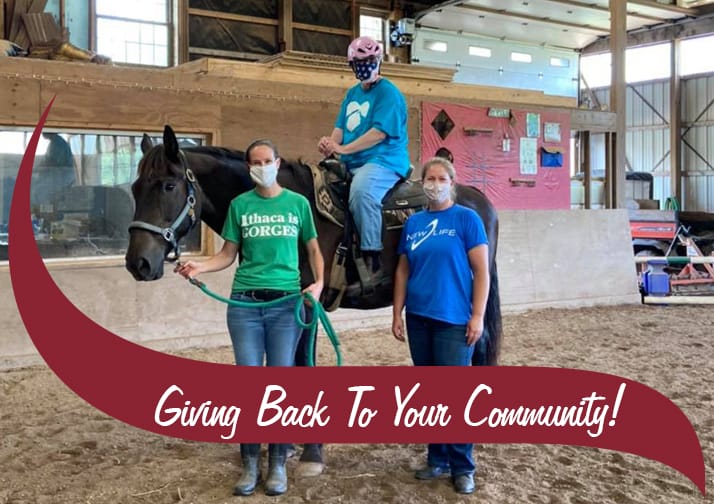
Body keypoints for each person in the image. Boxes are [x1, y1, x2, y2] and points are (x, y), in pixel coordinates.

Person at [175, 139, 324, 497]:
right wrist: (201, 266)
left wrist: (318, 285)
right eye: (255, 162)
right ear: (248, 166)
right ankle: (250, 463)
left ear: (277, 161)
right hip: (245, 305)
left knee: (278, 385)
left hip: (286, 305)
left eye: (267, 160)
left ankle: (276, 464)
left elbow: (314, 249)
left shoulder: (298, 204)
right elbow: (228, 254)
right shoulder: (240, 206)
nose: (262, 166)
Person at [391, 156, 489, 495]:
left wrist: (477, 315)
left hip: (453, 320)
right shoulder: (414, 223)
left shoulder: (467, 219)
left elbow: (482, 272)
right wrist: (397, 311)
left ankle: (463, 466)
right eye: (429, 179)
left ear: (452, 182)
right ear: (422, 184)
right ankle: (436, 458)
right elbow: (403, 269)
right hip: (419, 318)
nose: (434, 184)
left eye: (440, 178)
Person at [318, 35, 409, 288]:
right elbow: (340, 127)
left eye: (369, 60)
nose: (364, 66)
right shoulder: (352, 93)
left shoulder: (389, 93)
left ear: (378, 60)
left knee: (361, 192)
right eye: (358, 62)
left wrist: (343, 148)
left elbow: (378, 133)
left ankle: (372, 258)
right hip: (351, 159)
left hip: (384, 160)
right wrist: (330, 143)